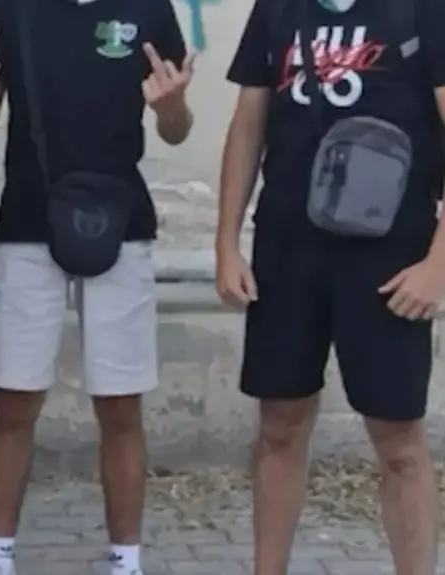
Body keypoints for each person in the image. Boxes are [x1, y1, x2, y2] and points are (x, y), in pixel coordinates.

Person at [0, 0, 194, 573]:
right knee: (16, 401)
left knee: (121, 405)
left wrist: (173, 108)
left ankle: (126, 560)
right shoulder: (15, 9)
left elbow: (177, 130)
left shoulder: (149, 9)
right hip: (27, 225)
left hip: (121, 224)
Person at [217, 0, 445, 573]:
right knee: (279, 427)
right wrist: (225, 244)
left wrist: (438, 265)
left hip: (389, 258)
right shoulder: (277, 9)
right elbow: (247, 125)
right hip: (286, 251)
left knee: (399, 440)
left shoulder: (422, 10)